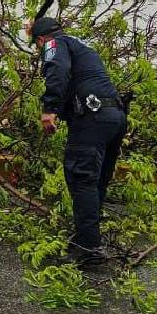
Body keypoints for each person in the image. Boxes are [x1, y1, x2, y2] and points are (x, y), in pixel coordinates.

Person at [29, 16, 127, 269]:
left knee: (81, 177)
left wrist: (49, 108)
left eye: (37, 45)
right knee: (96, 181)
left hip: (91, 118)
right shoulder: (80, 44)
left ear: (41, 40)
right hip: (114, 116)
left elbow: (57, 70)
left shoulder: (53, 44)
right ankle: (88, 238)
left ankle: (88, 249)